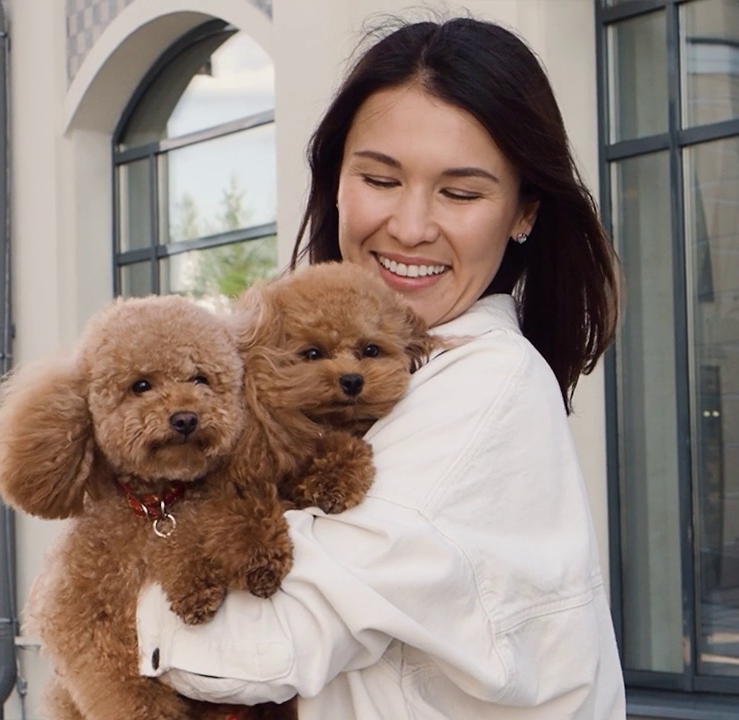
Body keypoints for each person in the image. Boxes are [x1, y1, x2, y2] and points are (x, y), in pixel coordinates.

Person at [136, 15, 625, 719]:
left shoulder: (484, 387)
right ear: (337, 179)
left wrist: (127, 557)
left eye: (460, 192)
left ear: (523, 212)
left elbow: (246, 652)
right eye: (380, 178)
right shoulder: (308, 372)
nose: (410, 225)